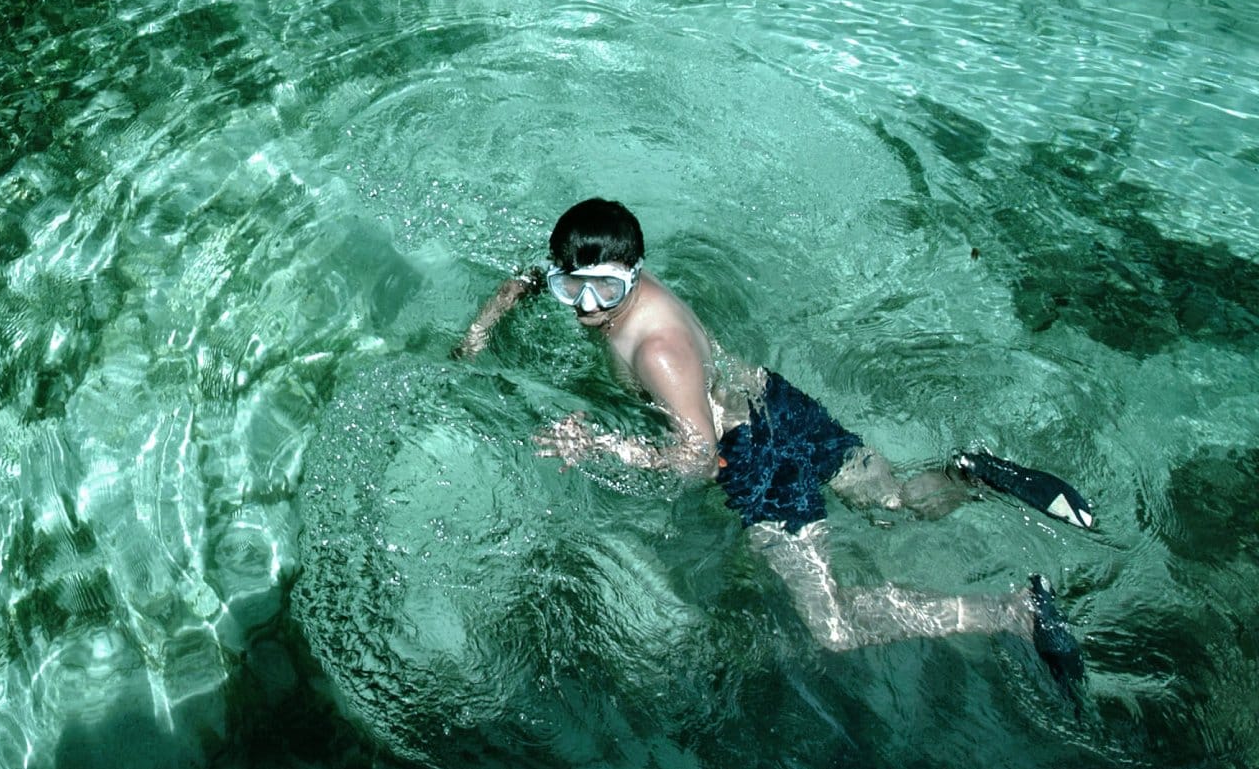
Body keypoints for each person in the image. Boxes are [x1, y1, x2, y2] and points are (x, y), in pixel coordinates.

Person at [455, 197, 1091, 695]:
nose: (587, 308)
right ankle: (970, 475)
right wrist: (483, 328)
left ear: (635, 276)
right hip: (770, 399)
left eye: (604, 292)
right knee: (893, 499)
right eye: (574, 290)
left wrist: (602, 445)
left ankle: (1016, 613)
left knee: (833, 626)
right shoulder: (607, 276)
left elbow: (698, 460)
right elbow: (528, 280)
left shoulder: (657, 351)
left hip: (753, 455)